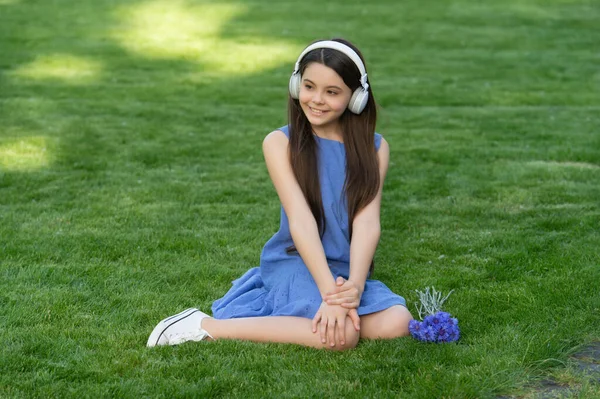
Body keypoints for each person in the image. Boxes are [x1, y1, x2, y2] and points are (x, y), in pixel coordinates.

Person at [147, 38, 413, 351]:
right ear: (296, 84)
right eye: (309, 86)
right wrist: (330, 294)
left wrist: (353, 287)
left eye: (332, 92)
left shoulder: (376, 148)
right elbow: (301, 222)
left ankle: (321, 318)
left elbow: (367, 224)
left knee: (398, 322)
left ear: (356, 97)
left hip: (343, 268)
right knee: (343, 338)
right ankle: (203, 325)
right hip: (297, 260)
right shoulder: (279, 143)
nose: (316, 100)